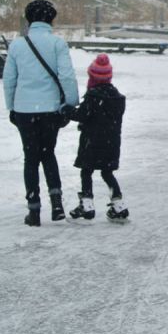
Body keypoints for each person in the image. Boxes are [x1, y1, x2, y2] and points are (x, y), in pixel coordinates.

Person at [3, 0, 80, 226]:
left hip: (24, 109)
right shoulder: (57, 44)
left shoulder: (17, 46)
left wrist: (12, 107)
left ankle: (34, 209)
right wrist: (71, 102)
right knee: (48, 154)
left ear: (29, 19)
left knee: (30, 157)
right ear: (51, 19)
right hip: (50, 109)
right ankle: (57, 204)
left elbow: (9, 80)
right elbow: (66, 75)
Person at [63, 54, 128, 222]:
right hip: (111, 143)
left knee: (87, 171)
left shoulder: (93, 97)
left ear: (92, 78)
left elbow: (81, 115)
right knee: (107, 173)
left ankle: (87, 205)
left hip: (91, 142)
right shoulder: (117, 98)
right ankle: (119, 205)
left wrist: (66, 109)